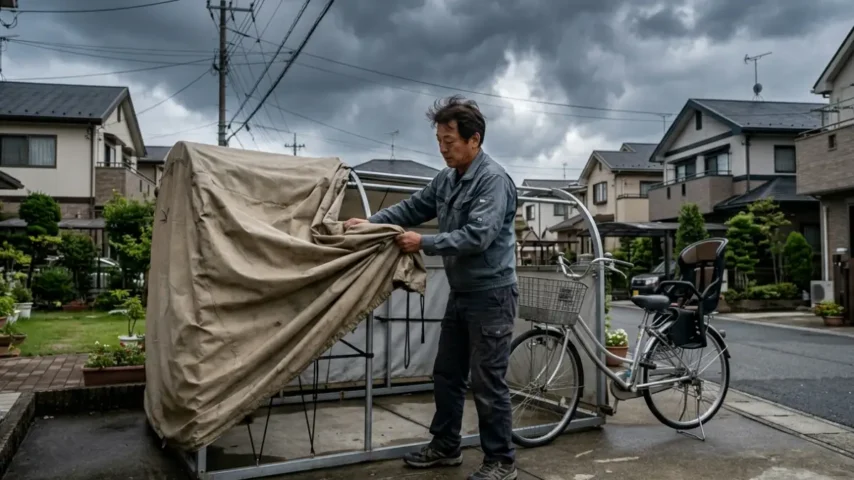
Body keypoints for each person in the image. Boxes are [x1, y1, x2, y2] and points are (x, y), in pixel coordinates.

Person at [344, 95, 519, 480]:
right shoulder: (446, 179)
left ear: (475, 140)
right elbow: (412, 208)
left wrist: (422, 243)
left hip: (492, 295)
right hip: (462, 293)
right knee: (447, 373)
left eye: (450, 141)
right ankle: (446, 445)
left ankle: (502, 462)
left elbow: (479, 236)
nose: (443, 148)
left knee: (488, 380)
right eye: (439, 141)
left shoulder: (492, 180)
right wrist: (371, 224)